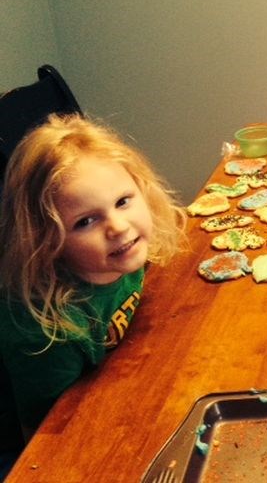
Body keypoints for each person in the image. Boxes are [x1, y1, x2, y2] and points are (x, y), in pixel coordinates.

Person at [0, 114, 186, 457]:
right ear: (47, 241)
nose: (117, 226)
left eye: (123, 201)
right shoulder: (45, 333)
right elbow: (49, 440)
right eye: (85, 221)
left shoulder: (122, 254)